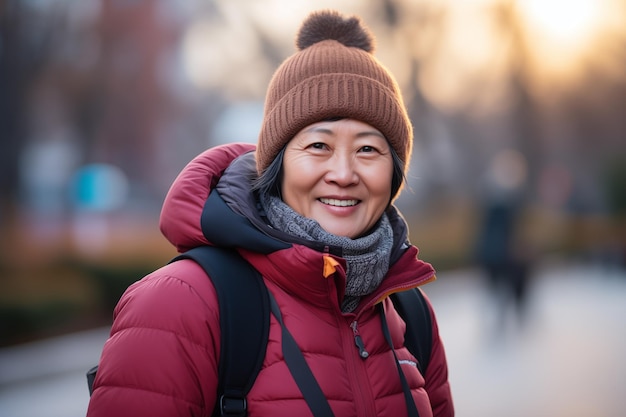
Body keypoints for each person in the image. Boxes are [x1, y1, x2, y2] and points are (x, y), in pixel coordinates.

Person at [86, 9, 454, 417]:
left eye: (368, 149)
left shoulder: (409, 313)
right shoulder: (181, 303)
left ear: (394, 171)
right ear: (276, 163)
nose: (344, 174)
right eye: (319, 146)